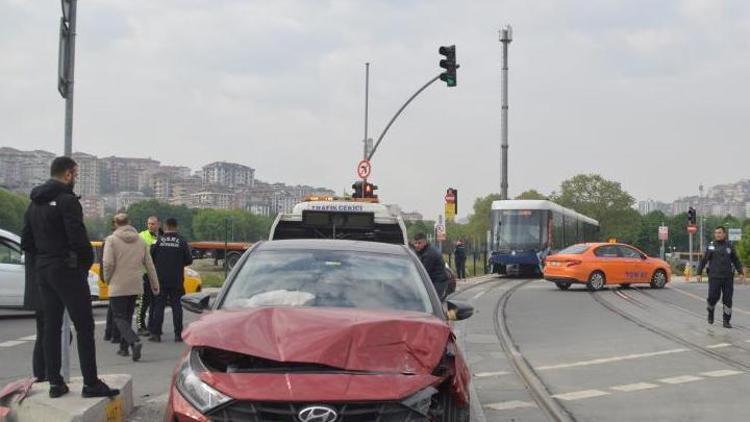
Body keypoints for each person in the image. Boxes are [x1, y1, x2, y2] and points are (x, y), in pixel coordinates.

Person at [20, 156, 119, 398]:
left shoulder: (33, 203)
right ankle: (90, 383)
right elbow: (79, 239)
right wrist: (83, 265)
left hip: (44, 269)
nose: (76, 179)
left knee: (51, 327)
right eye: (75, 174)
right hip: (67, 269)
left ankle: (56, 383)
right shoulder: (67, 201)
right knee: (84, 326)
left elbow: (26, 241)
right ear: (68, 174)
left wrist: (44, 260)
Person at [102, 214, 160, 361]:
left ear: (115, 224)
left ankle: (134, 341)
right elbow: (149, 264)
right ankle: (123, 348)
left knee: (118, 316)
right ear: (130, 222)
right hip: (136, 284)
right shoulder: (141, 241)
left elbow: (108, 264)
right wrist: (155, 284)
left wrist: (108, 279)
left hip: (118, 284)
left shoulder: (111, 240)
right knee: (127, 316)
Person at [149, 218, 192, 342]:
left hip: (160, 279)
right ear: (176, 226)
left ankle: (156, 334)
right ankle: (178, 334)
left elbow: (151, 257)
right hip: (177, 279)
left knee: (159, 306)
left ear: (165, 226)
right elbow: (189, 260)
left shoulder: (159, 241)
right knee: (177, 307)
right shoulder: (182, 241)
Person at [697, 226, 746, 328]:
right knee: (713, 297)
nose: (717, 235)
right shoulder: (711, 246)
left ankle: (726, 320)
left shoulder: (730, 246)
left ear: (724, 234)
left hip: (728, 278)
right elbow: (704, 260)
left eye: (719, 233)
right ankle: (710, 311)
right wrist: (699, 272)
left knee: (727, 300)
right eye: (716, 233)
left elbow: (736, 260)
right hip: (714, 277)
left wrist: (741, 272)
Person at [20, 222, 45, 382]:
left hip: (38, 286)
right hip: (44, 285)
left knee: (45, 332)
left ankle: (43, 373)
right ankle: (45, 373)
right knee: (51, 333)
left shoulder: (32, 213)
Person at [136, 216, 160, 336]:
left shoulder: (161, 237)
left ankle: (152, 325)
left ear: (158, 224)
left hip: (156, 274)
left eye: (153, 224)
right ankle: (140, 325)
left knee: (155, 302)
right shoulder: (142, 236)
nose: (151, 226)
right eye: (149, 224)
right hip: (144, 274)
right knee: (143, 301)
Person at [412, 233, 449, 300]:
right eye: (415, 243)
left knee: (433, 302)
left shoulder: (430, 254)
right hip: (432, 281)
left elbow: (423, 272)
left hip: (437, 282)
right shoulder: (422, 251)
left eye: (419, 243)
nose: (417, 245)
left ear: (425, 242)